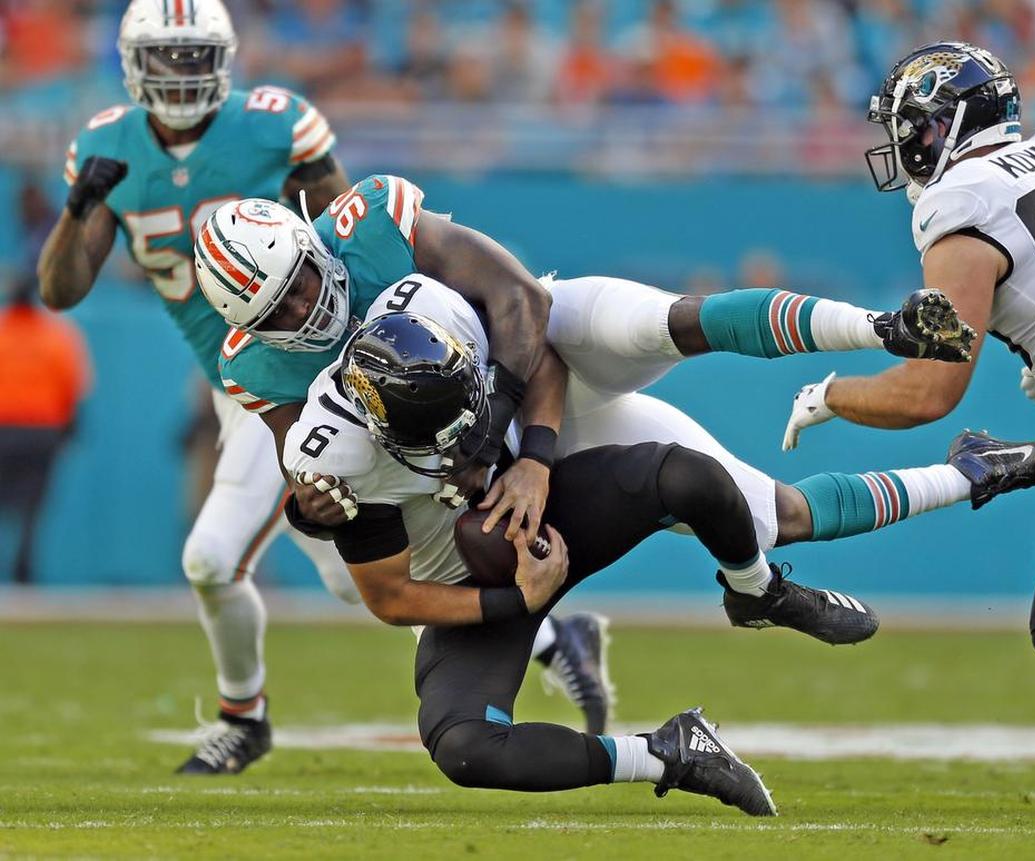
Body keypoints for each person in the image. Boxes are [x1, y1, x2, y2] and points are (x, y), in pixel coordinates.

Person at [31, 0, 602, 776]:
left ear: (223, 60)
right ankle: (549, 637)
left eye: (196, 56)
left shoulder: (271, 124)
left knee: (236, 556)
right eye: (166, 58)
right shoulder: (107, 149)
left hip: (324, 378)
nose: (181, 74)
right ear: (135, 66)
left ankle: (245, 715)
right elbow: (61, 289)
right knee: (344, 572)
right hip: (249, 388)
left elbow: (346, 241)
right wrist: (79, 208)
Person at [272, 285, 1035, 817]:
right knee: (464, 743)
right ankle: (666, 751)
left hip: (553, 450)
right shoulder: (332, 456)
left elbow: (538, 336)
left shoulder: (456, 309)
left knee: (726, 487)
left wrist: (532, 458)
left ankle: (773, 578)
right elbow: (388, 597)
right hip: (481, 569)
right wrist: (515, 600)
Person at [781, 41, 1035, 711]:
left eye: (913, 126)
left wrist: (833, 394)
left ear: (946, 123)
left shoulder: (959, 204)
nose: (908, 143)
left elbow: (929, 391)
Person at [0, 277, 91, 584]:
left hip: (4, 429)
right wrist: (71, 429)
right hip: (41, 432)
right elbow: (74, 385)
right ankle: (22, 570)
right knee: (32, 507)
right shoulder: (56, 335)